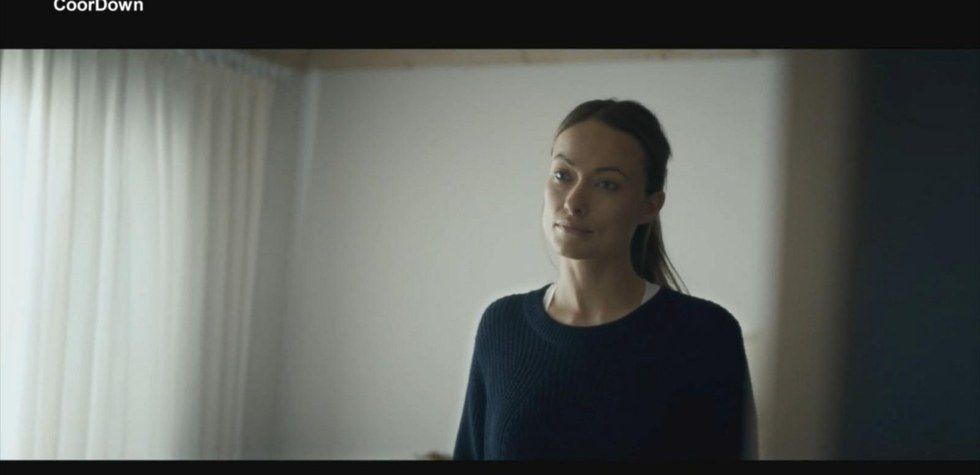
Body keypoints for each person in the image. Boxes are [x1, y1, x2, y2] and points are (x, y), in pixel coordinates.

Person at [452, 99, 759, 461]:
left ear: (650, 206)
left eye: (607, 184)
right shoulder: (501, 325)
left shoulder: (705, 335)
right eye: (563, 175)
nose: (574, 201)